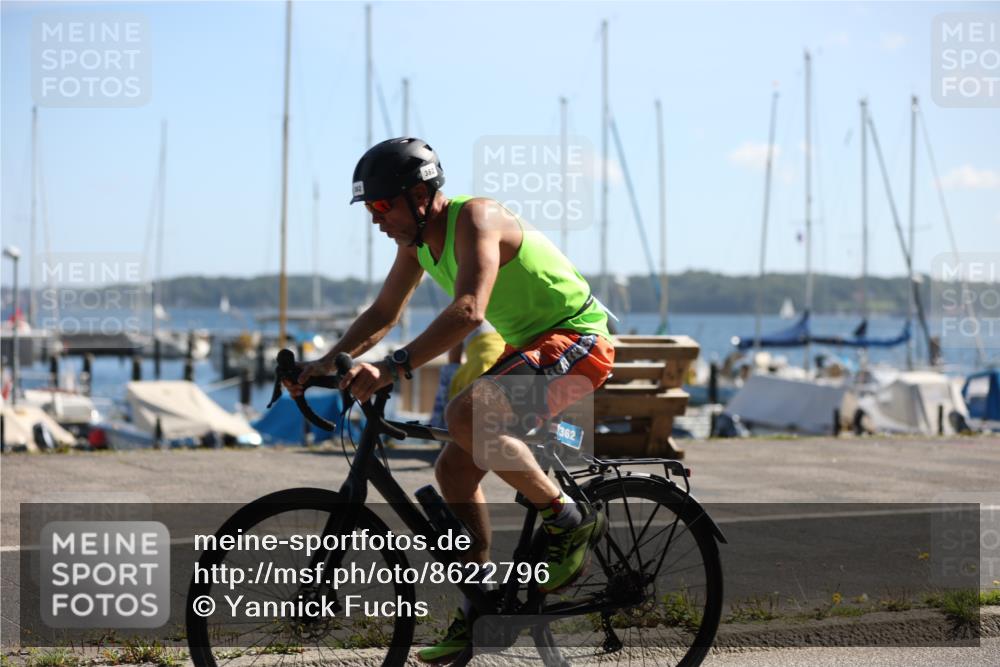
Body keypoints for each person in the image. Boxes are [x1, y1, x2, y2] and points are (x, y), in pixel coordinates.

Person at [285, 137, 615, 663]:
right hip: (529, 346)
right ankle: (482, 606)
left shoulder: (477, 219)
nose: (375, 220)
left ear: (419, 196)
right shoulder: (415, 243)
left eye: (379, 205)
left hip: (576, 339)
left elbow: (467, 311)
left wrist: (394, 366)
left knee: (466, 413)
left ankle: (569, 520)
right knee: (454, 472)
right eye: (368, 209)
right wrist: (324, 364)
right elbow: (383, 314)